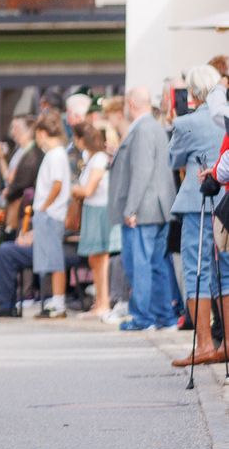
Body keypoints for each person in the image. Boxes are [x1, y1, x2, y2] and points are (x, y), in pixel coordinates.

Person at [167, 69, 229, 366]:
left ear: (192, 92)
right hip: (225, 201)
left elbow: (174, 159)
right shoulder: (225, 116)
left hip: (197, 202)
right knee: (226, 273)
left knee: (196, 272)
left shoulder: (186, 123)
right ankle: (227, 342)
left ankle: (204, 344)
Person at [0, 116, 71, 318]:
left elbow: (57, 185)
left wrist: (44, 207)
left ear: (41, 133)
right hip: (46, 217)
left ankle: (56, 302)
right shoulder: (55, 154)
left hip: (49, 215)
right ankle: (5, 300)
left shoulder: (56, 154)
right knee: (14, 251)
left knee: (53, 261)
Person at [109, 87, 176, 331]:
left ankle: (143, 317)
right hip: (158, 207)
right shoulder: (154, 127)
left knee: (140, 264)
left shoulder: (142, 129)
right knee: (157, 263)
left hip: (143, 210)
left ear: (131, 103)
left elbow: (142, 170)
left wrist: (131, 208)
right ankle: (163, 316)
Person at [77, 118, 115, 318]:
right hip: (91, 209)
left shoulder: (99, 158)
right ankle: (98, 301)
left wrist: (70, 189)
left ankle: (105, 302)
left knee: (101, 257)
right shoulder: (89, 157)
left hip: (100, 209)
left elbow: (89, 189)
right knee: (94, 258)